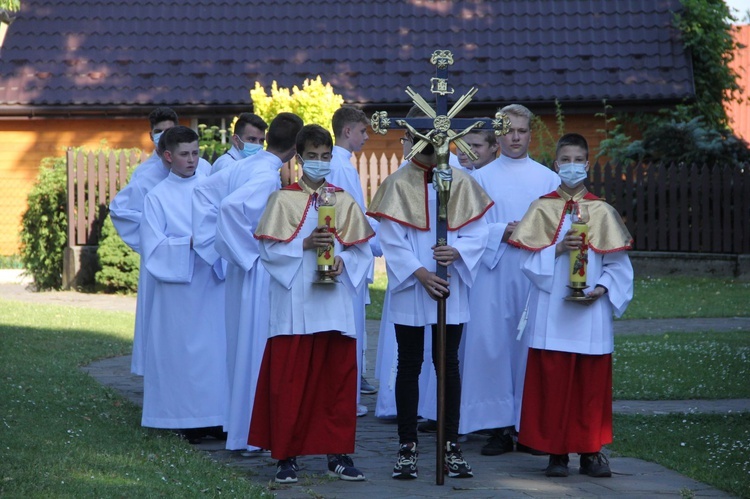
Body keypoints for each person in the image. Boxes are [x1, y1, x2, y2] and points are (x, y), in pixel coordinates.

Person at [248, 124, 374, 484]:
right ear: (299, 159)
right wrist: (301, 245)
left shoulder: (343, 199)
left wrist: (345, 261)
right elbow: (268, 251)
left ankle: (338, 453)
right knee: (290, 381)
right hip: (294, 303)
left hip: (332, 301)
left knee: (336, 379)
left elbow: (362, 250)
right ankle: (286, 456)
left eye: (325, 156)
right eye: (312, 157)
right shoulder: (282, 199)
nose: (319, 163)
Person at [367, 119, 491, 480]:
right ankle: (407, 445)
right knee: (409, 364)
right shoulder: (397, 184)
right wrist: (420, 273)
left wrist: (458, 251)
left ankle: (450, 444)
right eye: (417, 141)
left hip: (450, 285)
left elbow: (477, 231)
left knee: (447, 364)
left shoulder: (462, 181)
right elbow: (390, 238)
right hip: (414, 287)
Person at [508, 133, 634, 478]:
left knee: (590, 385)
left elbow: (619, 266)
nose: (572, 166)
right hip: (553, 312)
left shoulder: (603, 210)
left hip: (591, 314)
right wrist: (558, 249)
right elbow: (528, 265)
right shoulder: (541, 207)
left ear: (588, 165)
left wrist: (602, 288)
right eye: (566, 159)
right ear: (556, 164)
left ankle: (592, 452)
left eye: (579, 160)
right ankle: (556, 452)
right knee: (553, 381)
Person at [459, 104, 560, 456]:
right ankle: (499, 427)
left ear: (531, 133)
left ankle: (529, 425)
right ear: (498, 134)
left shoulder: (548, 179)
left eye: (521, 131)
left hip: (535, 272)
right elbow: (467, 227)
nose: (515, 138)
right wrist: (502, 231)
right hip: (494, 271)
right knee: (494, 345)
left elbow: (559, 225)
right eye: (508, 131)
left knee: (530, 346)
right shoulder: (481, 178)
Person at [211, 113, 302, 452]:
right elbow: (229, 209)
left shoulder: (247, 165)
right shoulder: (264, 176)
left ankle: (244, 426)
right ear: (294, 148)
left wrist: (233, 252)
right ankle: (251, 430)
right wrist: (253, 253)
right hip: (257, 270)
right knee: (254, 346)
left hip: (244, 268)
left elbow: (207, 196)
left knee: (243, 345)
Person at [139, 126, 228, 441]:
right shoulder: (156, 197)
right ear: (168, 156)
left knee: (214, 352)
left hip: (212, 280)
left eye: (195, 152)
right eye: (184, 154)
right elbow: (153, 247)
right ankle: (186, 418)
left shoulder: (211, 188)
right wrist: (189, 243)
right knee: (182, 353)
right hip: (179, 287)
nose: (192, 160)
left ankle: (217, 416)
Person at [109, 107, 210, 376]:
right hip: (166, 258)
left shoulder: (205, 170)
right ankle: (159, 372)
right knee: (162, 323)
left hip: (205, 265)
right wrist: (153, 239)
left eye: (168, 130)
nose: (190, 159)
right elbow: (122, 211)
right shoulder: (146, 176)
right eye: (158, 131)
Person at [329, 106, 381, 414]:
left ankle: (348, 394)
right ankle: (347, 398)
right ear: (347, 131)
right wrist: (379, 237)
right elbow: (352, 217)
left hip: (345, 250)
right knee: (349, 327)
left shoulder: (341, 164)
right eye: (362, 132)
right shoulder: (342, 168)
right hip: (346, 255)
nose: (365, 138)